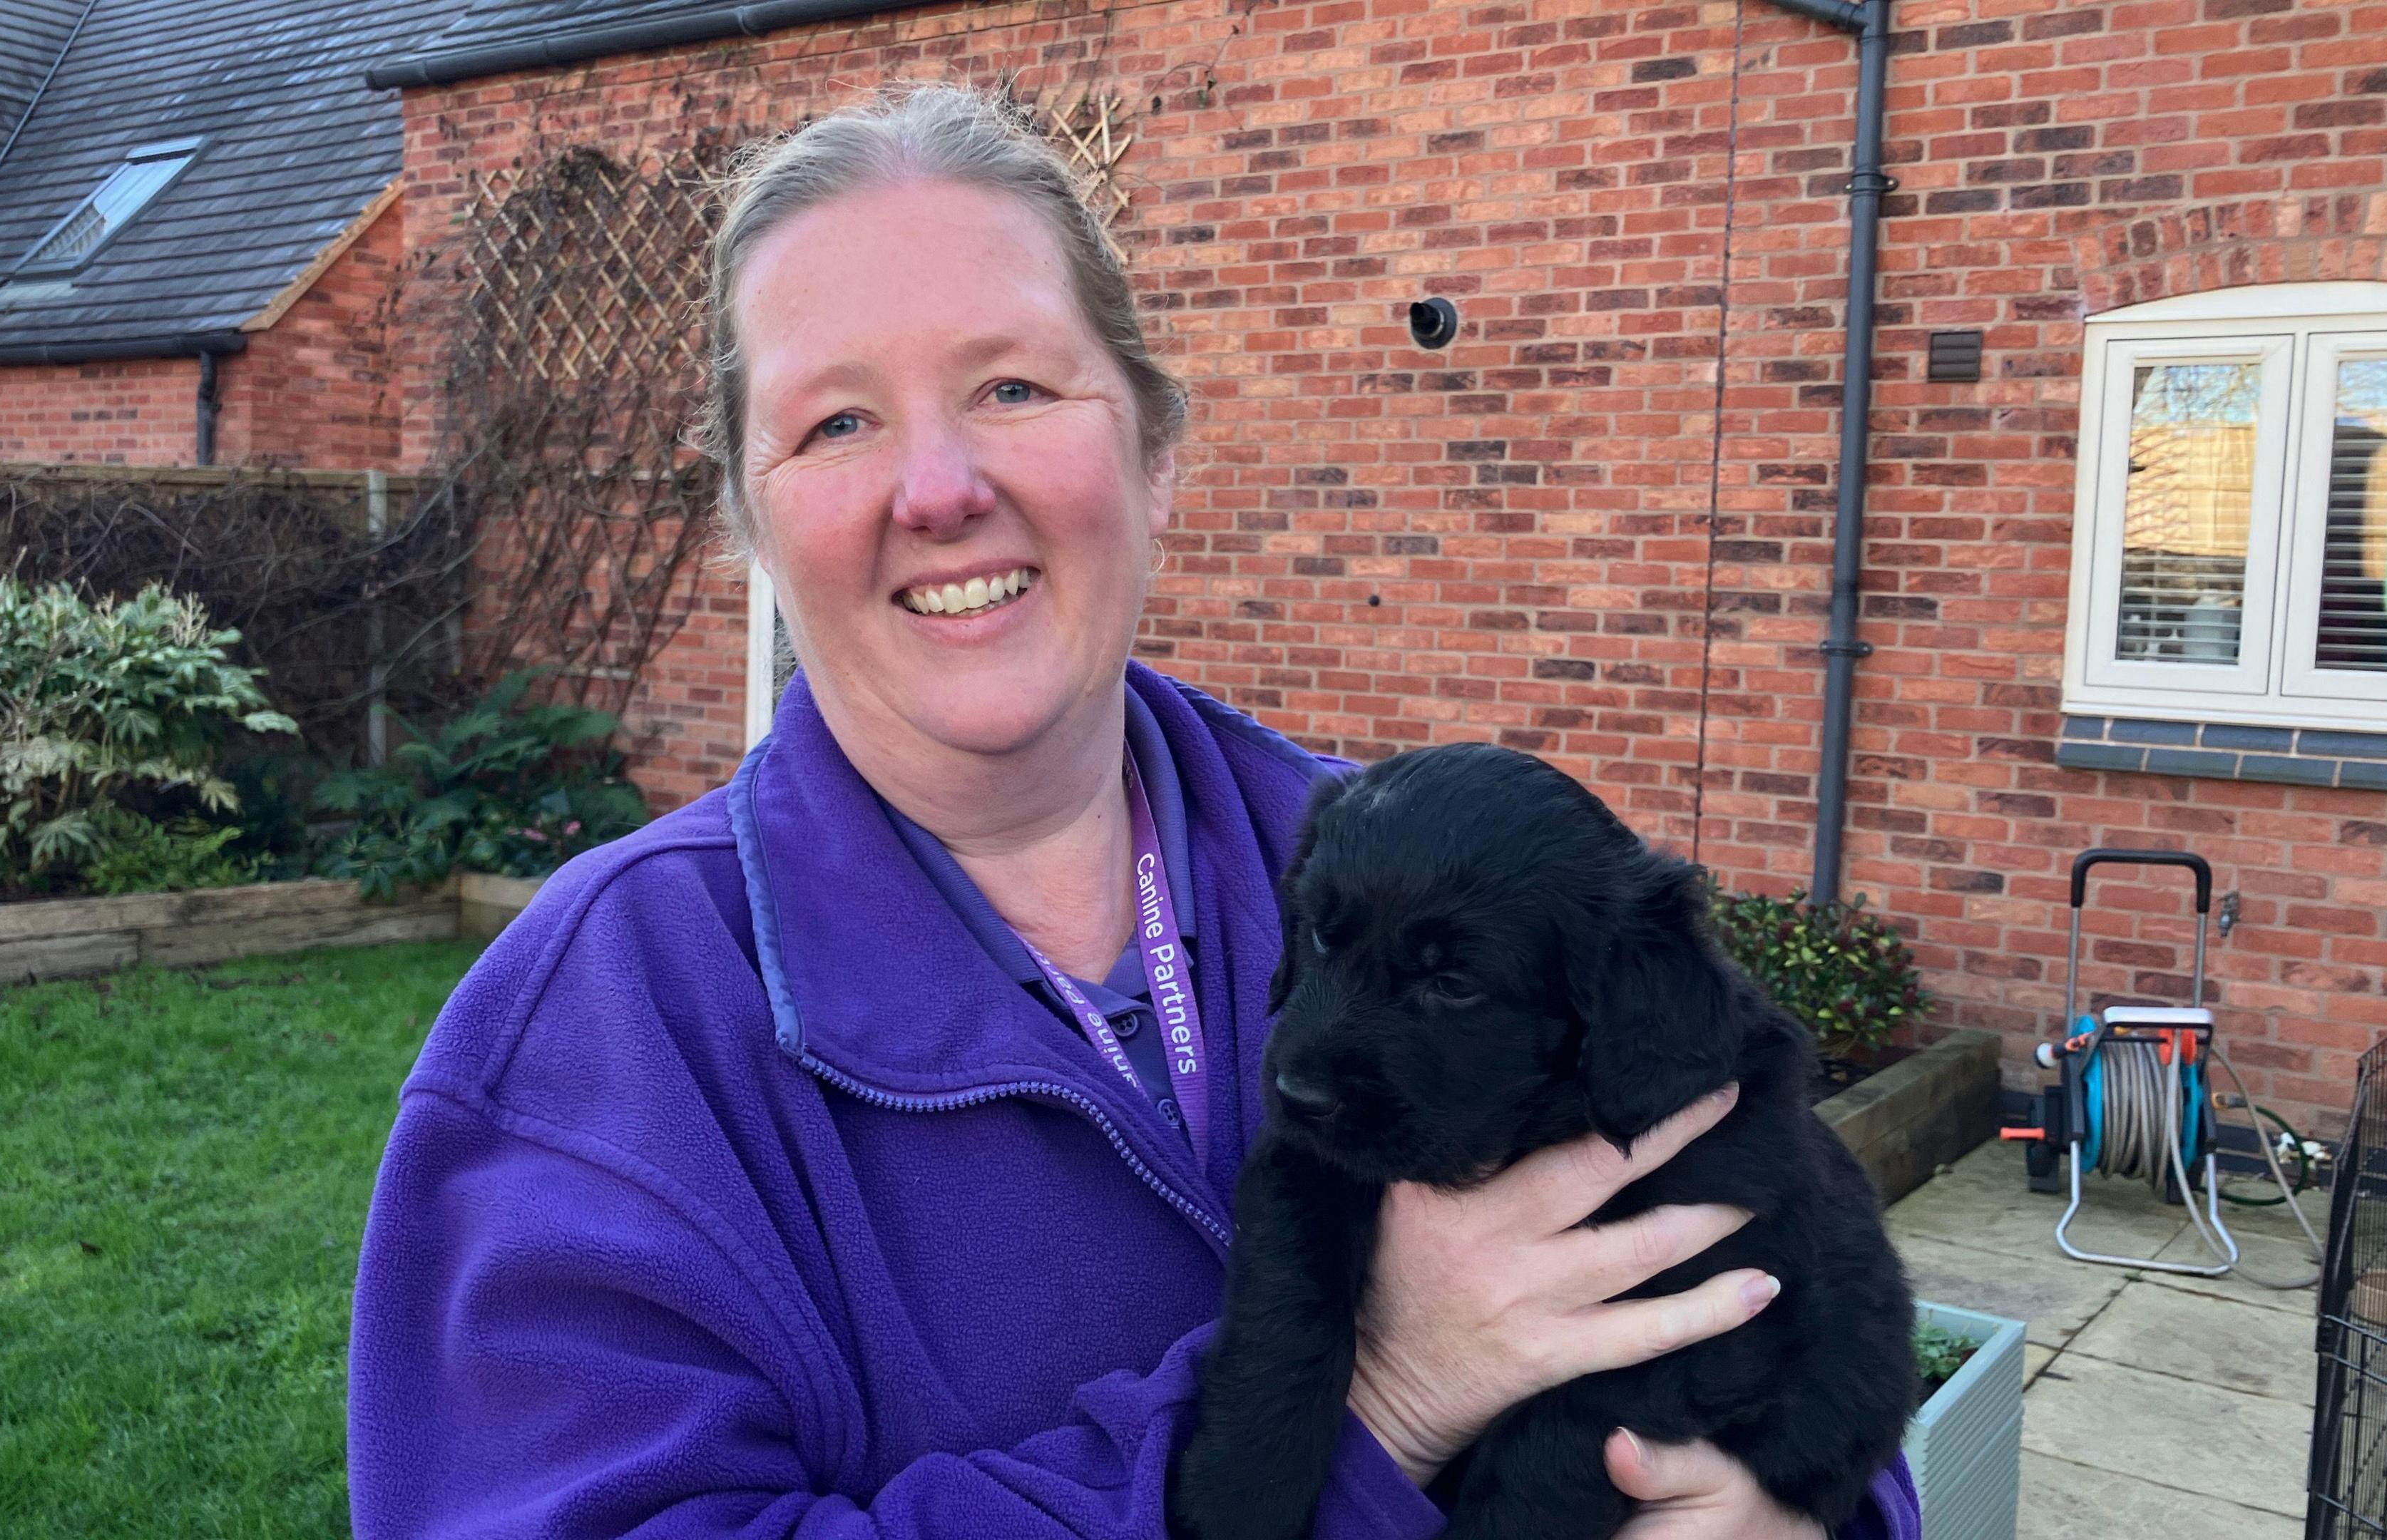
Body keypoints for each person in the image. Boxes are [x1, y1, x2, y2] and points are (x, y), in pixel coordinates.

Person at [347, 83, 1921, 1540]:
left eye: (1015, 384)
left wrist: (1809, 1514)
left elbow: (1789, 1259)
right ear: (748, 517)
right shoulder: (603, 1035)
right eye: (837, 422)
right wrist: (1372, 1408)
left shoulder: (1387, 869)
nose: (940, 484)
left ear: (1156, 449)